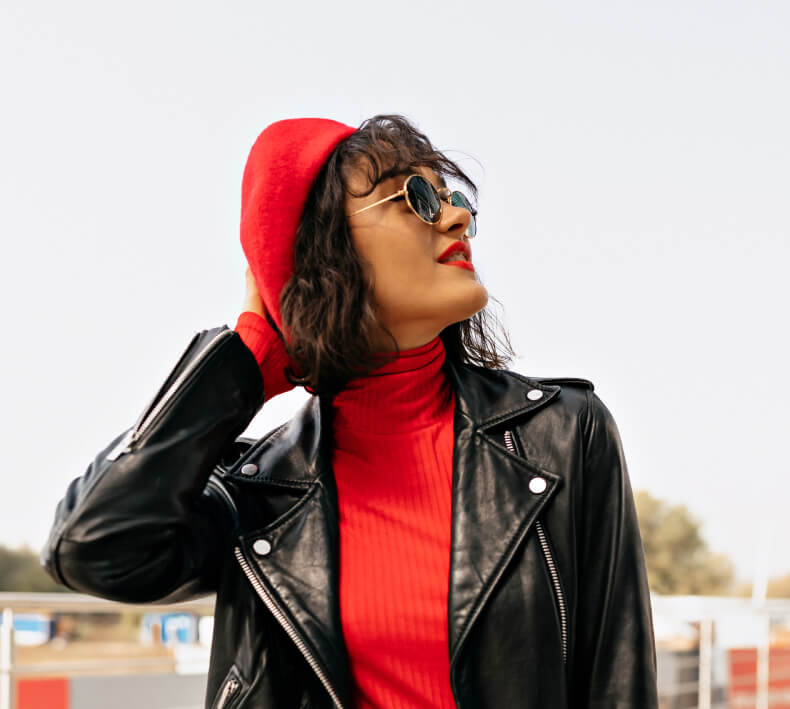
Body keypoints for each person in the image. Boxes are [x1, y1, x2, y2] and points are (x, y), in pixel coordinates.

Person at [41, 114, 658, 708]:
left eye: (454, 197)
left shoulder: (563, 432)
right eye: (414, 197)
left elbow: (616, 681)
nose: (459, 217)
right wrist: (244, 361)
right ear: (324, 249)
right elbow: (91, 548)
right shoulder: (258, 492)